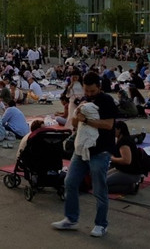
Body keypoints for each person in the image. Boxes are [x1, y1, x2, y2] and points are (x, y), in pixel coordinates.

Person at [52, 71, 117, 238]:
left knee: (99, 188)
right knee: (70, 182)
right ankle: (71, 219)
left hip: (100, 151)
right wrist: (76, 115)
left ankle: (101, 224)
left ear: (99, 87)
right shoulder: (84, 100)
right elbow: (74, 122)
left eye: (92, 91)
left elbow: (109, 125)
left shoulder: (107, 101)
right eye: (86, 91)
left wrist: (86, 120)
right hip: (81, 150)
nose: (89, 94)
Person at [107, 121, 144, 194]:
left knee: (101, 186)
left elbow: (127, 160)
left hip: (130, 173)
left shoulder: (124, 142)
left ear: (119, 130)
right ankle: (126, 185)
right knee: (99, 180)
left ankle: (129, 188)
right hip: (122, 169)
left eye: (113, 129)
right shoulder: (122, 139)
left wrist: (111, 158)